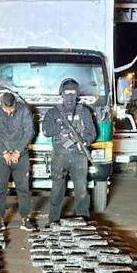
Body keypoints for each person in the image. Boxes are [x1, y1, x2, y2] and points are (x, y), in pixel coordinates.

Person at [42, 79, 97, 225]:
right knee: (57, 190)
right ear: (62, 94)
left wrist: (84, 142)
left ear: (77, 94)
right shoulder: (54, 112)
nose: (70, 96)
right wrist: (61, 128)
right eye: (67, 92)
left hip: (79, 155)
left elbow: (92, 132)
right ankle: (53, 221)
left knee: (81, 190)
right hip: (60, 155)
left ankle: (82, 220)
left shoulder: (84, 111)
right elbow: (46, 130)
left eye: (73, 92)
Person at [0, 91, 36, 231]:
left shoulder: (23, 110)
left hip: (21, 156)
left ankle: (25, 219)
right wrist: (4, 152)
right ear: (1, 104)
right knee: (0, 189)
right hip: (0, 157)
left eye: (11, 109)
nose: (9, 111)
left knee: (23, 189)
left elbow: (29, 131)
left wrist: (18, 151)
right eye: (6, 109)